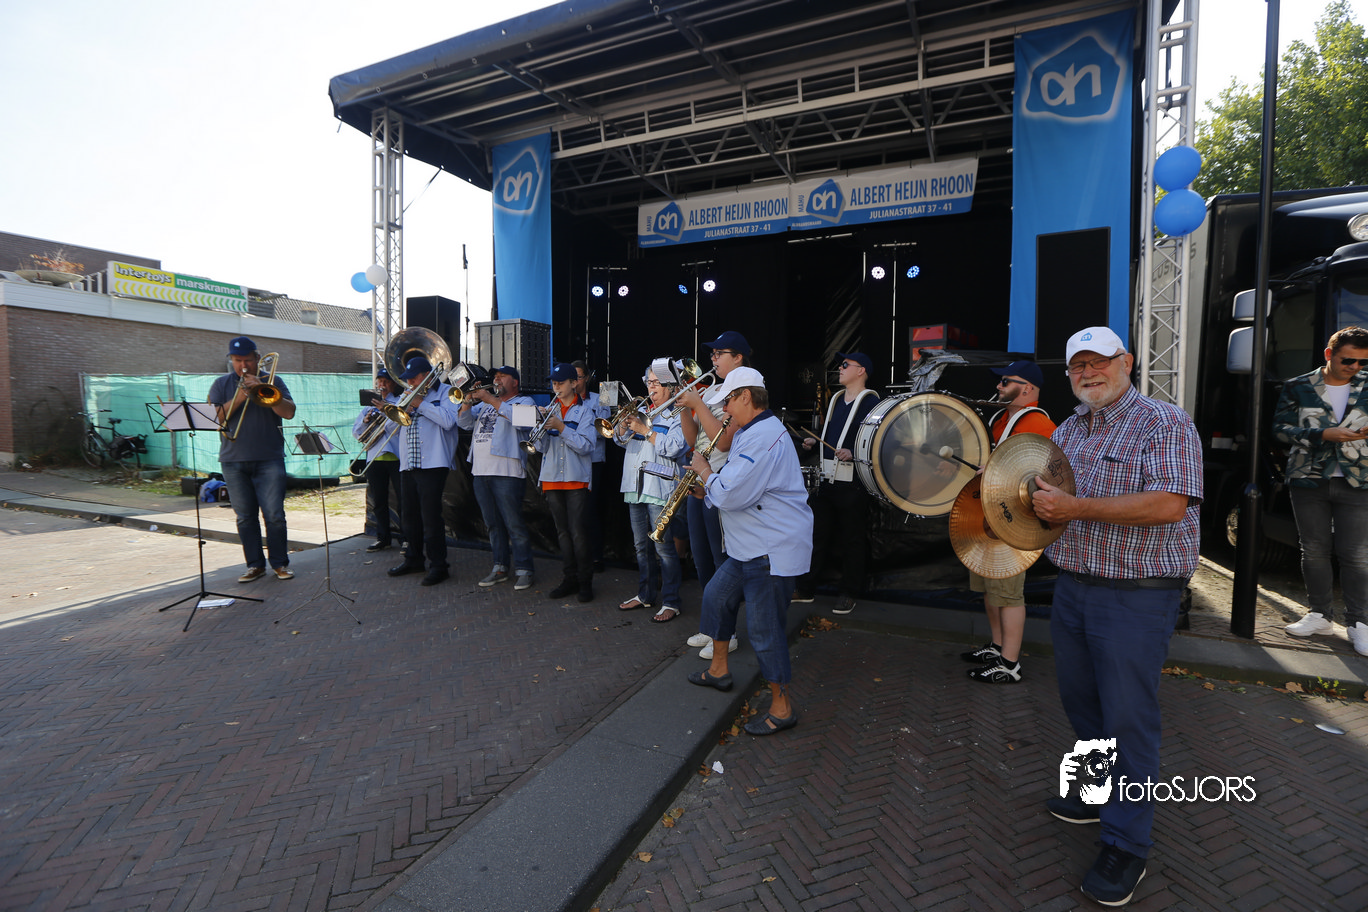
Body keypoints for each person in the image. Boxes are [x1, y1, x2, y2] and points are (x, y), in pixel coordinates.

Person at [1029, 326, 1203, 907]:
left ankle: (1127, 842)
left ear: (1126, 362)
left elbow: (1169, 504)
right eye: (1077, 365)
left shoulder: (1164, 423)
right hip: (1074, 587)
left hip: (1138, 595)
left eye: (1098, 362)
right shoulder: (1068, 430)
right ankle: (1094, 792)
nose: (1087, 373)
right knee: (1083, 703)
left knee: (1128, 718)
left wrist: (1074, 506)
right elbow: (1048, 502)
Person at [684, 366, 813, 736]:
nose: (724, 408)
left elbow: (730, 493)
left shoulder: (762, 437)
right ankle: (719, 670)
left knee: (764, 631)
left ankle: (782, 708)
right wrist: (708, 488)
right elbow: (734, 486)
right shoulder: (751, 432)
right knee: (716, 596)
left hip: (768, 551)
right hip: (749, 547)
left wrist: (705, 472)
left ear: (745, 397)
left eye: (727, 400)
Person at [1273, 325, 1368, 655]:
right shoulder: (1298, 386)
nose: (1355, 367)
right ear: (1329, 354)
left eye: (1363, 362)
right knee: (1313, 550)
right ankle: (1319, 615)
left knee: (1357, 555)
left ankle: (1360, 624)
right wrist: (1321, 435)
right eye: (1348, 361)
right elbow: (1279, 430)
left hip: (1359, 480)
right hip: (1309, 479)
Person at [959, 359, 1055, 683]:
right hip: (991, 518)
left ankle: (1010, 664)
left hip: (1015, 522)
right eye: (999, 381)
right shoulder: (1002, 420)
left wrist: (998, 470)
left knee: (1009, 594)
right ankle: (998, 646)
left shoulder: (1040, 424)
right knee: (990, 588)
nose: (998, 386)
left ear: (1026, 388)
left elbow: (1048, 477)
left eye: (1005, 381)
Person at [677, 331, 748, 657]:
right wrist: (684, 406)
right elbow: (694, 439)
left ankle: (726, 633)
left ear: (739, 357)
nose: (713, 359)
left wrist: (697, 404)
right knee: (702, 557)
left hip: (721, 484)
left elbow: (723, 442)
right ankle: (711, 626)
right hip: (699, 483)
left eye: (720, 353)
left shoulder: (743, 392)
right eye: (713, 354)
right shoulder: (711, 391)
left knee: (722, 562)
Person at [795, 352, 880, 614]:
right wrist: (816, 440)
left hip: (852, 483)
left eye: (845, 365)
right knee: (817, 534)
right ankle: (806, 588)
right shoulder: (835, 399)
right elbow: (831, 432)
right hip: (826, 480)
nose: (840, 368)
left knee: (852, 539)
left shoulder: (872, 402)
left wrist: (854, 453)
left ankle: (849, 592)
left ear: (861, 370)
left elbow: (879, 441)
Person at [210, 336, 297, 582]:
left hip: (269, 458)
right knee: (245, 517)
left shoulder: (273, 381)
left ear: (258, 358)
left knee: (274, 515)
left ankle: (280, 563)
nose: (243, 365)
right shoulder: (221, 384)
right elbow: (215, 419)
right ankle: (254, 565)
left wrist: (263, 389)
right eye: (237, 360)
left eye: (247, 360)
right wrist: (241, 396)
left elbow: (289, 413)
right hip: (233, 460)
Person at [615, 359, 688, 621]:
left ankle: (671, 601)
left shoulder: (679, 413)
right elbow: (619, 440)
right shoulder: (641, 410)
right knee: (640, 547)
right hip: (634, 486)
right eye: (649, 382)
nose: (651, 387)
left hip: (660, 487)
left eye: (656, 383)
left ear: (670, 386)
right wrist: (622, 426)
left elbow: (675, 447)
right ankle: (645, 595)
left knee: (664, 549)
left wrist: (646, 431)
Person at [458, 365, 537, 591]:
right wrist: (467, 400)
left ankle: (524, 569)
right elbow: (463, 423)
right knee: (492, 524)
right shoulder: (485, 405)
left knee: (514, 524)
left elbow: (526, 421)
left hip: (507, 472)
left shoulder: (525, 401)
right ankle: (500, 567)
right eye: (495, 376)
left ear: (515, 382)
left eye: (502, 376)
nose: (497, 379)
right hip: (480, 472)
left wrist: (490, 399)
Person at [386, 356, 460, 587]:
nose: (409, 383)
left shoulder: (448, 392)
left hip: (433, 464)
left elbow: (449, 421)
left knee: (430, 517)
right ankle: (414, 559)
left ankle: (439, 566)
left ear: (427, 376)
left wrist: (420, 404)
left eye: (413, 378)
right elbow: (390, 428)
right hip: (409, 463)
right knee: (409, 516)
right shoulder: (407, 394)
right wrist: (396, 410)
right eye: (407, 379)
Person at [537, 362, 597, 603]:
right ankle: (569, 579)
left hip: (576, 478)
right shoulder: (549, 409)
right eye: (554, 383)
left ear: (574, 383)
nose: (556, 387)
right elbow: (540, 447)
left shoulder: (585, 412)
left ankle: (585, 582)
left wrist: (561, 427)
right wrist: (539, 427)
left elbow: (587, 446)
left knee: (578, 533)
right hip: (551, 478)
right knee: (562, 533)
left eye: (561, 383)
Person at [351, 367, 404, 553]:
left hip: (396, 456)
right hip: (375, 457)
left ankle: (407, 538)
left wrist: (385, 410)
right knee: (379, 501)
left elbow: (399, 427)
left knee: (403, 500)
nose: (382, 385)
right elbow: (357, 434)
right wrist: (366, 421)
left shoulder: (400, 402)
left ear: (393, 384)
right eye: (379, 381)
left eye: (385, 381)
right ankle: (383, 538)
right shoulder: (368, 406)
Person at [573, 360, 610, 572]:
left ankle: (596, 556)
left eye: (578, 377)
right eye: (572, 378)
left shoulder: (600, 398)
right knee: (575, 510)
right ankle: (578, 555)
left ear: (586, 378)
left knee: (590, 509)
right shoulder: (563, 401)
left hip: (593, 460)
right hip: (572, 460)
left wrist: (582, 427)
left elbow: (605, 430)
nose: (575, 381)